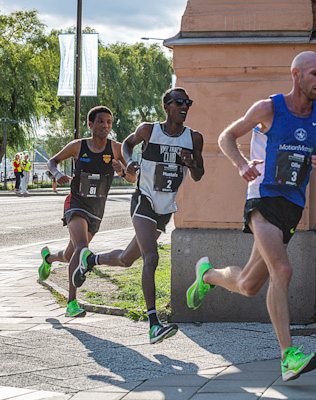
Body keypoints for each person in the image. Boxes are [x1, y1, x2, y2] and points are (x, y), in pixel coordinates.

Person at [186, 51, 316, 381]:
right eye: (314, 74)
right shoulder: (269, 108)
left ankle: (207, 275)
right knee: (282, 269)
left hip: (293, 204)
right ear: (295, 75)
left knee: (250, 285)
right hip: (262, 197)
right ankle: (288, 356)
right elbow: (227, 136)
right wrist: (242, 165)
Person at [72, 87, 205, 344]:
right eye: (178, 102)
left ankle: (90, 260)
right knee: (151, 257)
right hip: (143, 200)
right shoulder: (149, 130)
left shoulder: (194, 138)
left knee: (125, 260)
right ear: (166, 106)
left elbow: (199, 175)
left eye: (187, 102)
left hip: (165, 208)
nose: (184, 106)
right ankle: (154, 323)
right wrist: (129, 162)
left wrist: (192, 164)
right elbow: (128, 145)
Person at [38, 106, 136, 317]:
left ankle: (48, 259)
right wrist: (56, 173)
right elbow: (52, 160)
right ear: (90, 124)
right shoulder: (78, 146)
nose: (105, 126)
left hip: (97, 208)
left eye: (108, 122)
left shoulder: (117, 149)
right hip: (76, 203)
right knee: (82, 247)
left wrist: (122, 172)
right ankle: (72, 303)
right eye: (100, 121)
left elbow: (133, 178)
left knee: (69, 254)